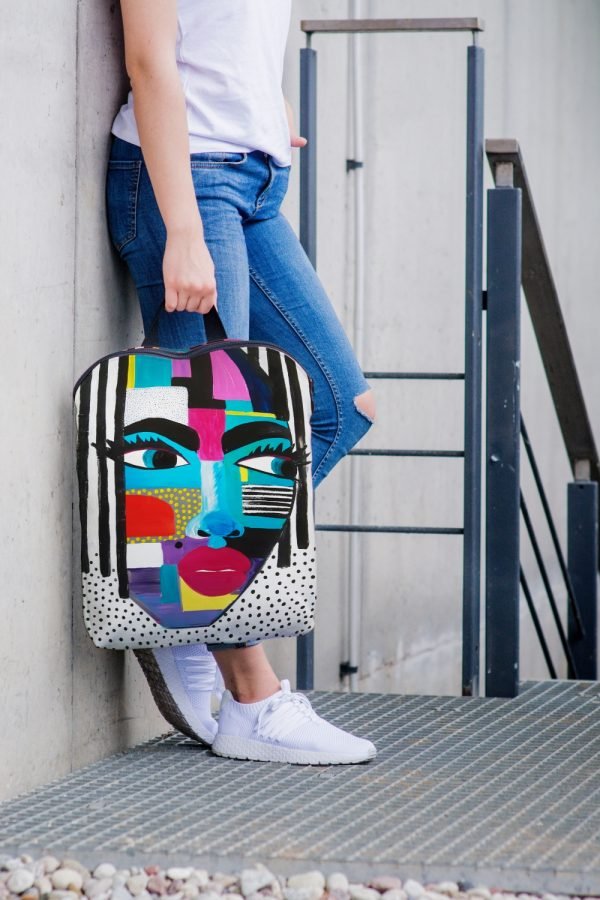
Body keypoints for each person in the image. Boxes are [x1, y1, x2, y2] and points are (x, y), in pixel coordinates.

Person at [105, 0, 377, 765]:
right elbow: (150, 62)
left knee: (337, 405)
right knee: (216, 437)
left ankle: (183, 598)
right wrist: (182, 231)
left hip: (256, 182)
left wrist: (268, 110)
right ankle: (250, 699)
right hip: (183, 180)